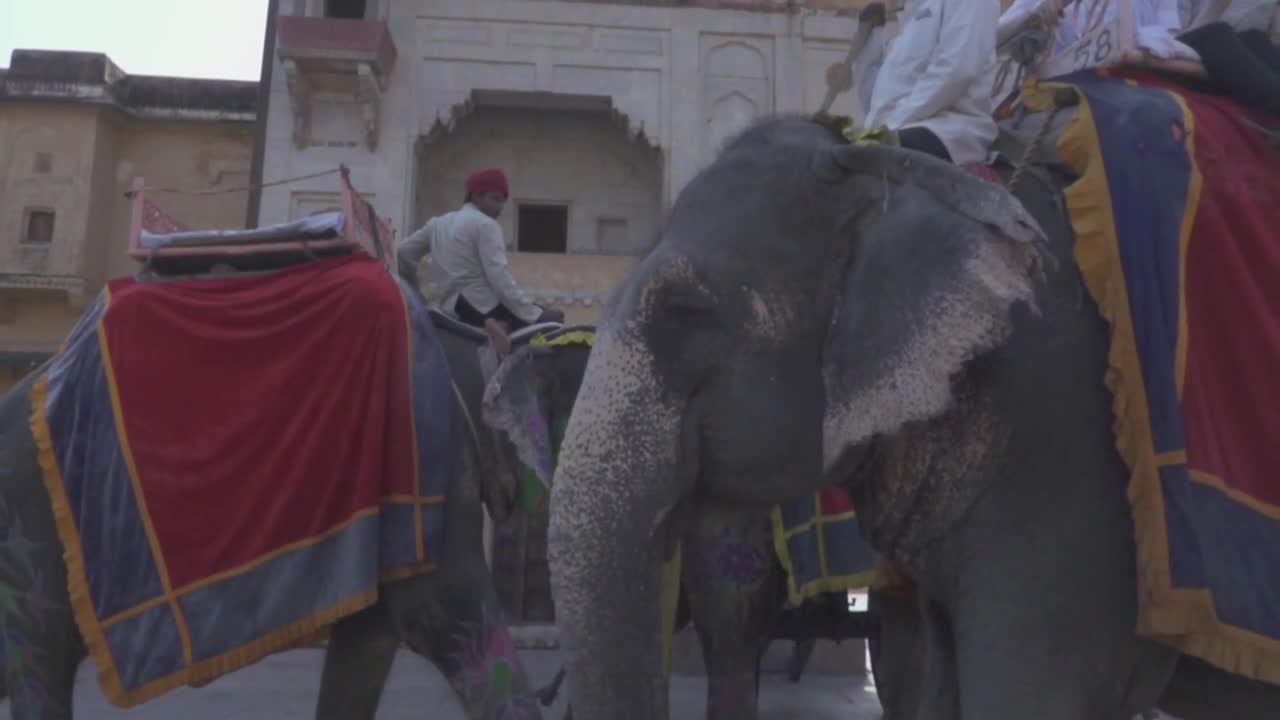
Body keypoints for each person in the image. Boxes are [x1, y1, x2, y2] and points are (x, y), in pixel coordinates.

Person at [397, 168, 564, 332]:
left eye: (502, 202)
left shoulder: (437, 224)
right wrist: (535, 314)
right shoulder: (486, 224)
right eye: (495, 199)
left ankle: (500, 331)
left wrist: (415, 291)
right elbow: (499, 278)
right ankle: (500, 329)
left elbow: (403, 252)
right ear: (476, 195)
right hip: (481, 307)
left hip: (448, 309)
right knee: (553, 320)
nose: (499, 207)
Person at [856, 0, 1002, 166]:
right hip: (893, 128)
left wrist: (891, 126)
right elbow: (877, 101)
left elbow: (957, 71)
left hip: (945, 130)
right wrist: (870, 42)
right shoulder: (912, 12)